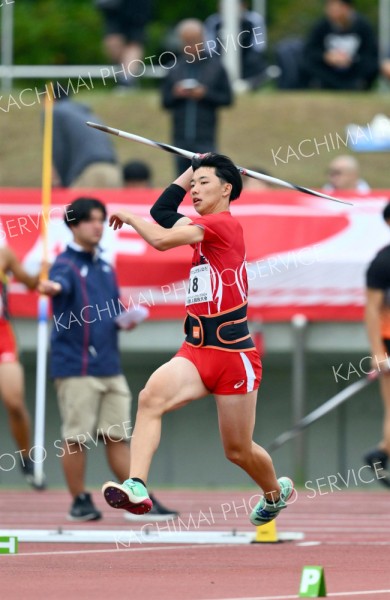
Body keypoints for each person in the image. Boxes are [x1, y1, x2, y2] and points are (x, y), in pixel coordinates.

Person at [101, 152, 295, 526]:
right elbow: (162, 211)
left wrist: (128, 215)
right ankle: (137, 486)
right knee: (150, 399)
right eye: (192, 185)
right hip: (195, 350)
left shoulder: (223, 226)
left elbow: (158, 238)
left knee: (237, 451)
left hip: (233, 355)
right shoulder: (202, 231)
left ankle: (275, 493)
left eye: (204, 183)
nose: (194, 190)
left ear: (227, 188)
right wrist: (194, 166)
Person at [38, 197, 178, 521]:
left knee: (118, 435)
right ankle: (79, 501)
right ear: (73, 225)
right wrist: (51, 287)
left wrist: (125, 320)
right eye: (90, 220)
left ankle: (136, 496)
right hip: (76, 366)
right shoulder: (65, 265)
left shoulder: (104, 266)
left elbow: (113, 311)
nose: (98, 226)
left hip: (109, 365)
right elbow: (58, 285)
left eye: (101, 219)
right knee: (76, 437)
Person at [161, 19, 233, 176]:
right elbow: (165, 102)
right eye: (186, 41)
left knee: (206, 178)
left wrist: (205, 94)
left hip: (205, 137)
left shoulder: (216, 66)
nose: (190, 45)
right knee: (181, 181)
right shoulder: (175, 67)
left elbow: (227, 99)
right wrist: (176, 94)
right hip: (180, 138)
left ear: (202, 39)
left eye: (194, 40)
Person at [0, 246, 46, 490]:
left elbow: (29, 283)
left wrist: (41, 271)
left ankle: (26, 458)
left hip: (2, 335)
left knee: (14, 401)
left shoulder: (4, 254)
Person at [363, 201, 390, 489]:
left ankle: (381, 452)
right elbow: (371, 309)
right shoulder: (383, 261)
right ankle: (381, 451)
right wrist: (377, 352)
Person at [300, 0, 378, 91]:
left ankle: (358, 85)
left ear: (346, 8)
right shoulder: (321, 26)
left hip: (354, 70)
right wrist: (327, 57)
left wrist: (352, 59)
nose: (329, 11)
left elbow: (370, 53)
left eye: (333, 7)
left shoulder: (363, 26)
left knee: (373, 65)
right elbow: (309, 51)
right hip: (328, 71)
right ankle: (322, 85)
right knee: (308, 63)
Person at [52, 92, 123, 188]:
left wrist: (64, 182)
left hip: (89, 172)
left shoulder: (56, 112)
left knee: (76, 203)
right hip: (113, 170)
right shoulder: (86, 113)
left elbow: (58, 149)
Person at [204, 0, 268, 91]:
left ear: (243, 6)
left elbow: (259, 43)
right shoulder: (214, 22)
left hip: (247, 55)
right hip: (220, 55)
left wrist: (253, 54)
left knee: (255, 61)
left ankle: (251, 84)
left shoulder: (254, 20)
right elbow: (209, 45)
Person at [95, 0, 153, 89]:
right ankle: (125, 75)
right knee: (113, 42)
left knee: (135, 41)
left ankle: (127, 80)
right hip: (112, 7)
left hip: (136, 6)